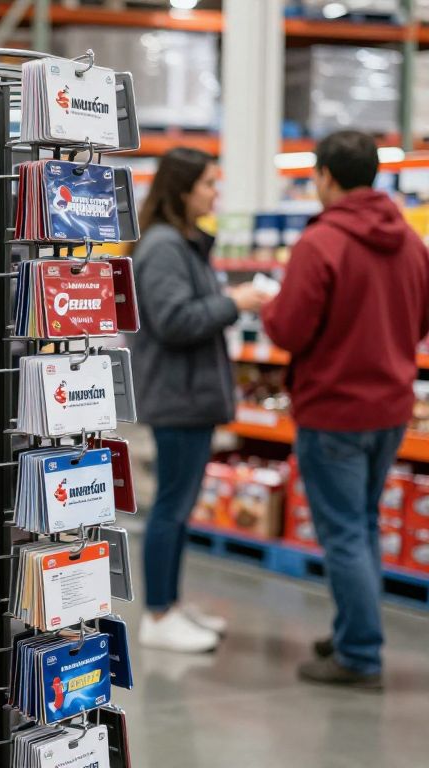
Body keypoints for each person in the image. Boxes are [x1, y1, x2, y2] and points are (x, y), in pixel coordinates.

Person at [262, 131, 429, 690]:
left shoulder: (322, 242)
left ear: (327, 176)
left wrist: (271, 310)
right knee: (363, 524)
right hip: (390, 408)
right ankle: (353, 628)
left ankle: (359, 653)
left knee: (345, 533)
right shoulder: (410, 242)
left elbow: (289, 328)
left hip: (334, 409)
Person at [130, 148, 270, 653]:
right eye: (209, 184)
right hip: (178, 395)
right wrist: (234, 302)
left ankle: (170, 603)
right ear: (182, 189)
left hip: (189, 395)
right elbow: (174, 320)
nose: (215, 193)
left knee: (181, 504)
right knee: (170, 506)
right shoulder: (164, 247)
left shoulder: (183, 244)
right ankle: (157, 614)